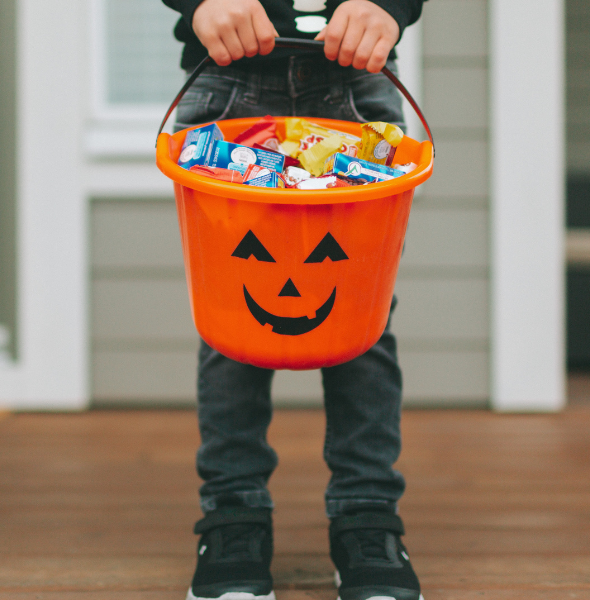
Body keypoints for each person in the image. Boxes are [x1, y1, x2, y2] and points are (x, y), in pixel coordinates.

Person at [160, 2, 426, 600]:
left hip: (357, 85)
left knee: (361, 313)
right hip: (228, 79)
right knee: (231, 313)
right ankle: (233, 520)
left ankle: (367, 519)